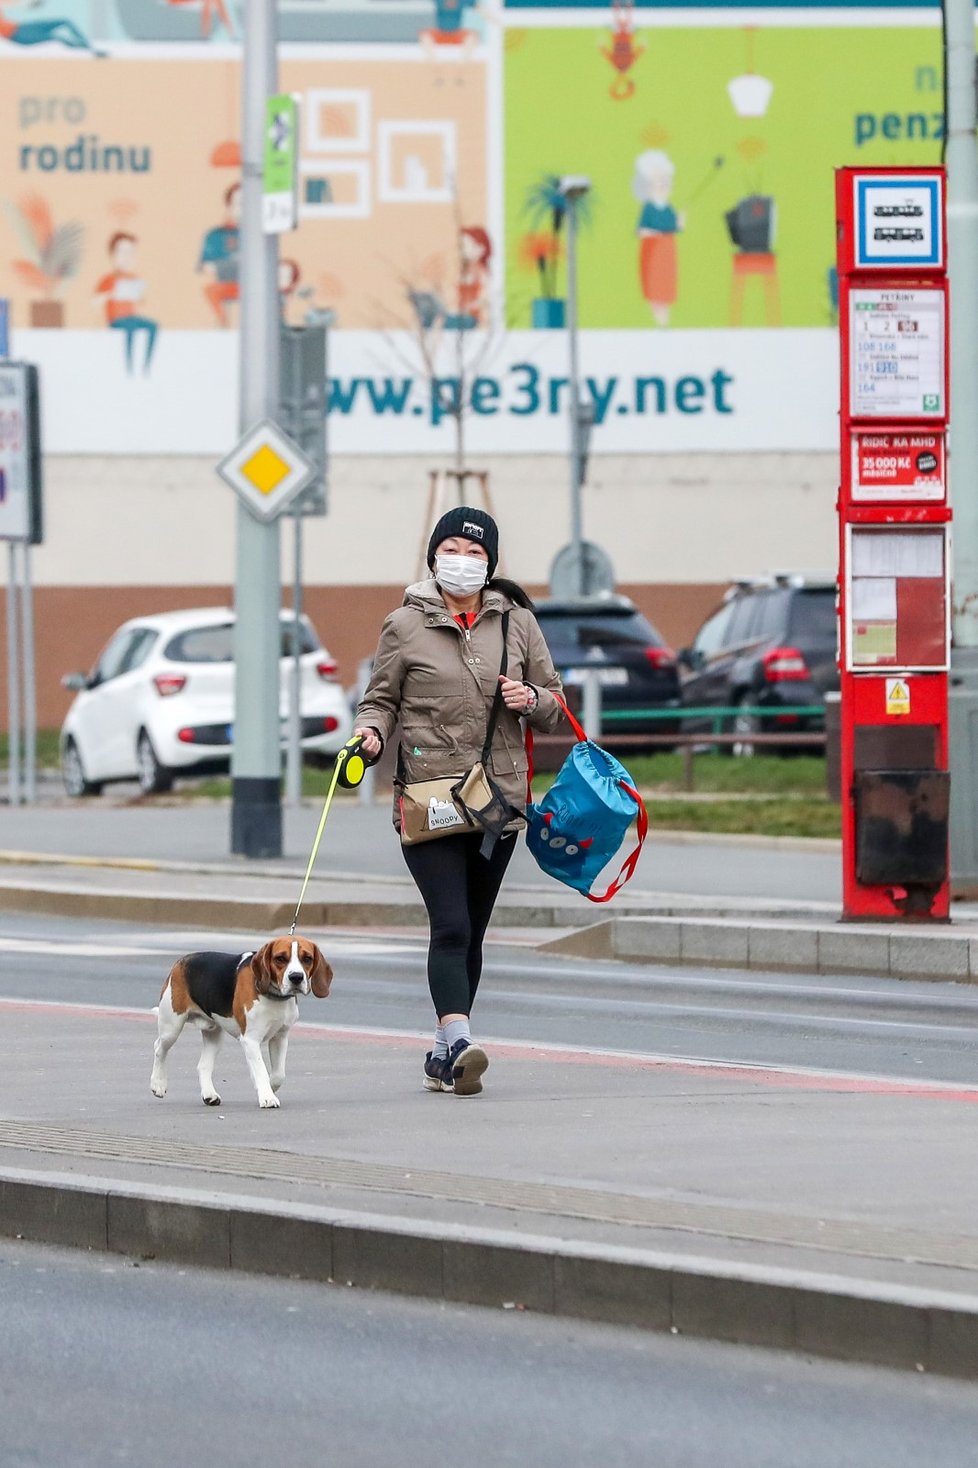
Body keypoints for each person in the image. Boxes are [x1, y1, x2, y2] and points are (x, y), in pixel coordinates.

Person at [354, 507, 563, 1097]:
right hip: (429, 799)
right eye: (452, 549)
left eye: (475, 553)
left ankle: (444, 1055)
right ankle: (462, 1038)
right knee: (448, 924)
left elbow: (555, 702)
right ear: (433, 555)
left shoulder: (517, 623)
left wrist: (532, 699)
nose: (463, 561)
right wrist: (369, 735)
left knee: (471, 931)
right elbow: (380, 700)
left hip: (498, 798)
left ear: (490, 562)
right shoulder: (404, 624)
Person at [93, 232, 159, 374]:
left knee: (153, 326)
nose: (126, 257)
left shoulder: (133, 277)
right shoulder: (110, 279)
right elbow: (96, 299)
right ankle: (129, 366)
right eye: (122, 252)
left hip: (131, 316)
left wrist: (136, 293)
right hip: (116, 319)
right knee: (131, 328)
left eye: (130, 252)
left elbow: (140, 300)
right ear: (112, 255)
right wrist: (112, 293)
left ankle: (146, 364)